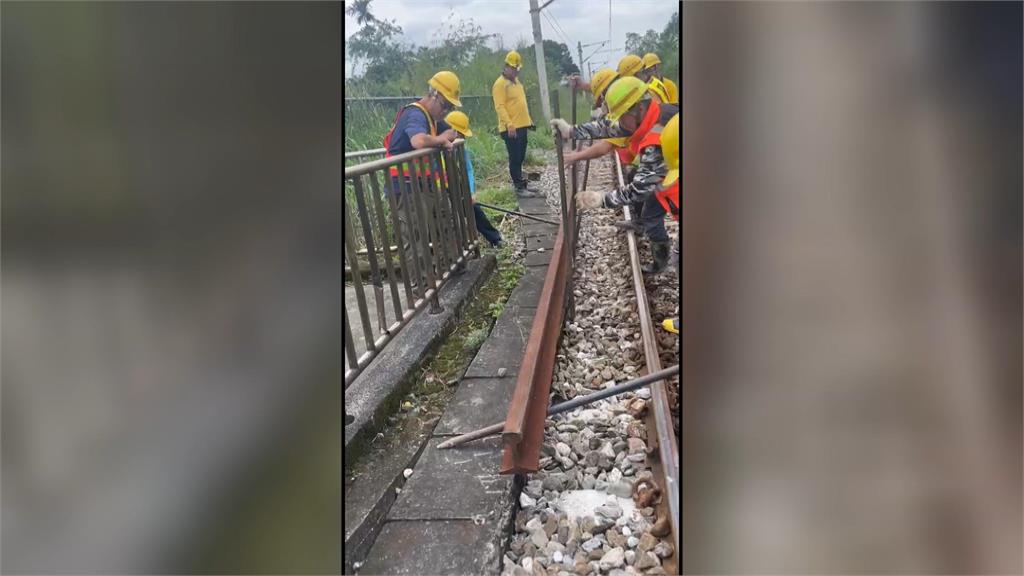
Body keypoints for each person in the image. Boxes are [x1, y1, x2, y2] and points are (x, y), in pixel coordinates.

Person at [550, 77, 679, 274]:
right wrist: (572, 131)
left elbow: (639, 190)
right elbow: (611, 126)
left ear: (638, 108)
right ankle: (660, 264)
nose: (619, 121)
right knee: (651, 215)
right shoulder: (656, 112)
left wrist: (601, 199)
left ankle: (669, 264)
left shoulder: (655, 139)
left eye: (621, 115)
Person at [383, 70, 462, 288]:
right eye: (445, 106)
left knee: (443, 223)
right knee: (415, 237)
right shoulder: (415, 114)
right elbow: (418, 141)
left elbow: (453, 133)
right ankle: (422, 290)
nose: (446, 112)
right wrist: (441, 140)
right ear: (434, 95)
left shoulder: (433, 119)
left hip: (423, 184)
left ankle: (450, 268)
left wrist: (446, 137)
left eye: (450, 108)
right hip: (404, 186)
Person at [444, 111, 503, 248]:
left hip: (457, 184)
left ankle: (495, 238)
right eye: (461, 134)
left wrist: (470, 192)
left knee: (475, 210)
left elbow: (468, 169)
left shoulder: (461, 149)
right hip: (442, 186)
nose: (463, 137)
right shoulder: (437, 147)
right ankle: (459, 246)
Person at [492, 50, 538, 197]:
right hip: (511, 128)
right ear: (506, 67)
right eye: (513, 68)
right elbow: (500, 106)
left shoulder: (517, 82)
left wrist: (529, 120)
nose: (515, 72)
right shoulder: (500, 84)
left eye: (517, 69)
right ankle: (519, 188)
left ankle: (522, 184)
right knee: (515, 157)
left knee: (521, 156)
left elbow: (521, 103)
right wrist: (509, 124)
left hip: (522, 125)